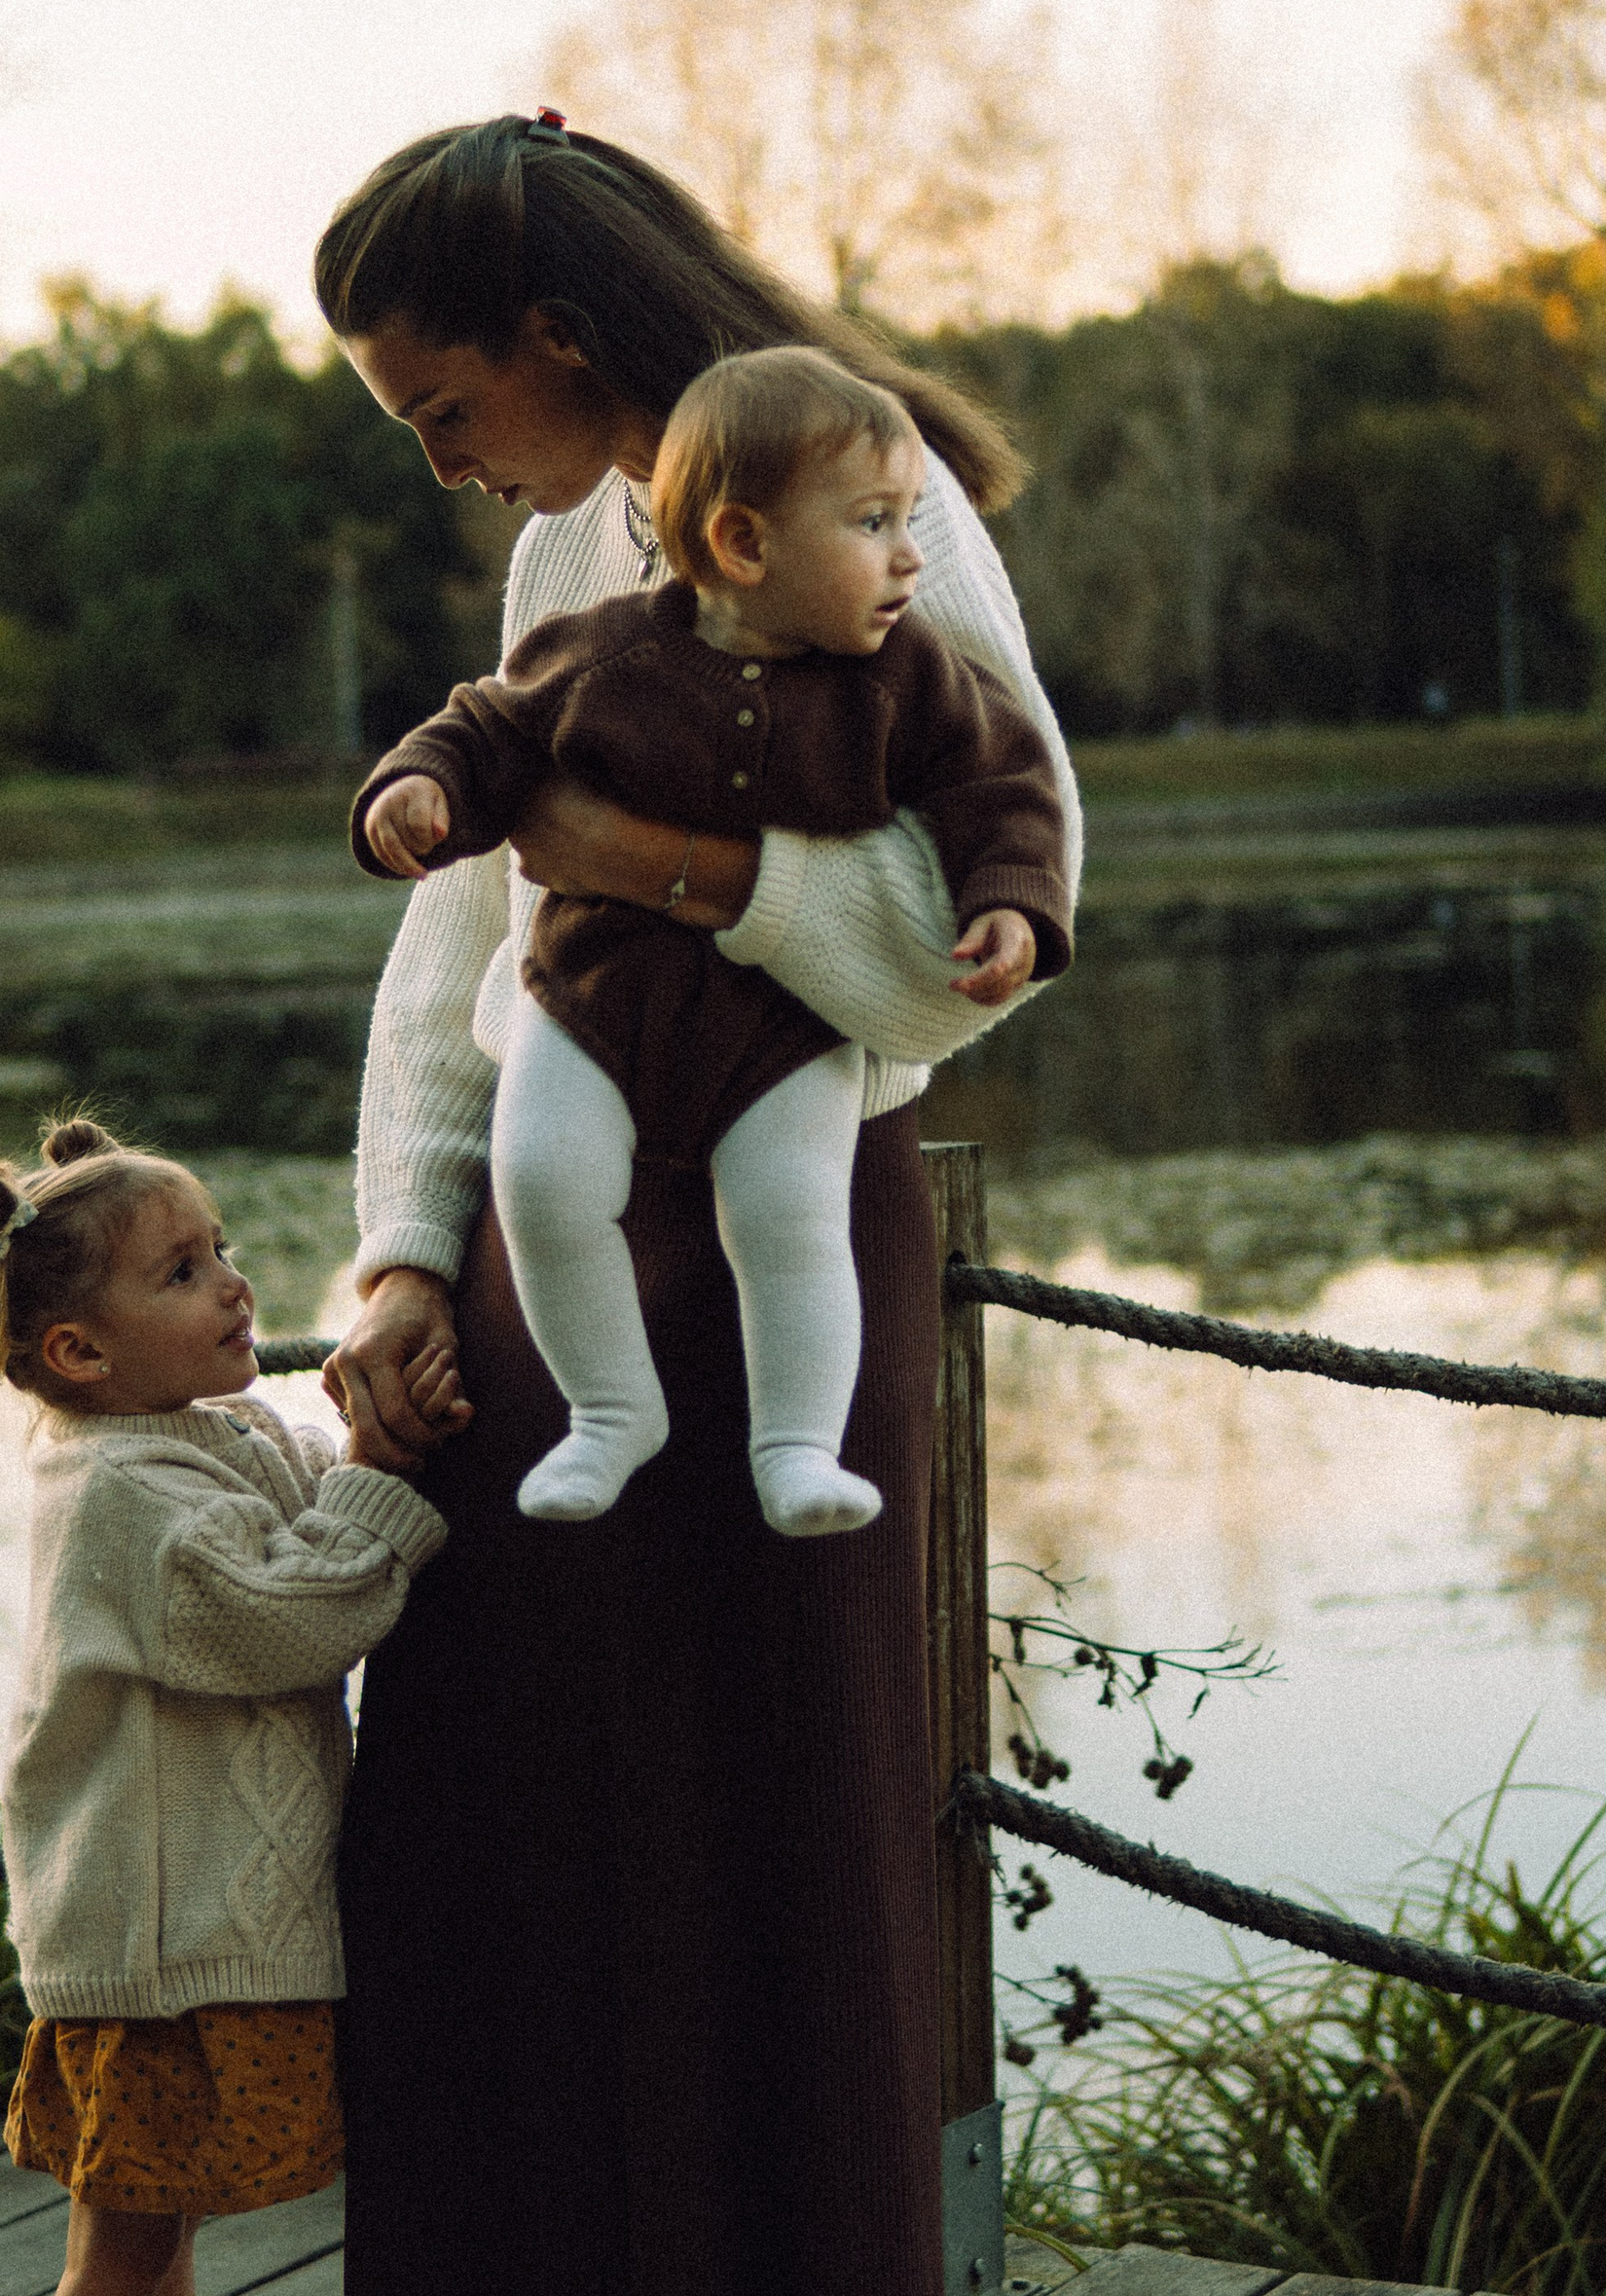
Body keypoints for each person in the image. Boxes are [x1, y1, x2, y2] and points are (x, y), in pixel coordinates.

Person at [303, 114, 1081, 2296]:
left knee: (737, 1848)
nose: (441, 458)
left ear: (556, 338)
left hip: (767, 1284)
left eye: (439, 407)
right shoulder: (562, 563)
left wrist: (699, 879)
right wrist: (402, 1249)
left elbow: (998, 918)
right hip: (546, 1264)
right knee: (516, 1816)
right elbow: (463, 947)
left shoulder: (870, 497)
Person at [358, 345, 1073, 1540]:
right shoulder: (603, 646)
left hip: (778, 1030)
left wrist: (1011, 901)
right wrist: (420, 789)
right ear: (745, 546)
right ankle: (609, 1408)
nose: (909, 553)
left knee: (792, 1212)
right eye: (873, 525)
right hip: (588, 998)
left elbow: (1005, 789)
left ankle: (796, 1445)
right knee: (541, 1178)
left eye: (905, 519)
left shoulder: (907, 678)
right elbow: (485, 731)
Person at [0, 1116, 449, 2296]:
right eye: (185, 1271)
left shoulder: (202, 1435)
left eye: (224, 1250)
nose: (233, 1287)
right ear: (81, 1351)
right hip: (150, 1951)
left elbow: (301, 1520)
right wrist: (385, 1479)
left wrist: (369, 1441)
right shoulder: (116, 1500)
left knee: (158, 2240)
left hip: (196, 1932)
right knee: (122, 2248)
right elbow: (282, 1614)